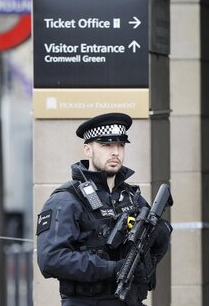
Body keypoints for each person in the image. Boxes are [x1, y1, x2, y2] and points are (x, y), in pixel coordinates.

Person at [36, 113, 172, 306]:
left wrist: (160, 234)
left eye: (121, 145)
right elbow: (51, 259)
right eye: (106, 145)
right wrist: (111, 269)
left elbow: (154, 244)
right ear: (88, 150)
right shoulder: (66, 199)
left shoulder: (131, 198)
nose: (115, 152)